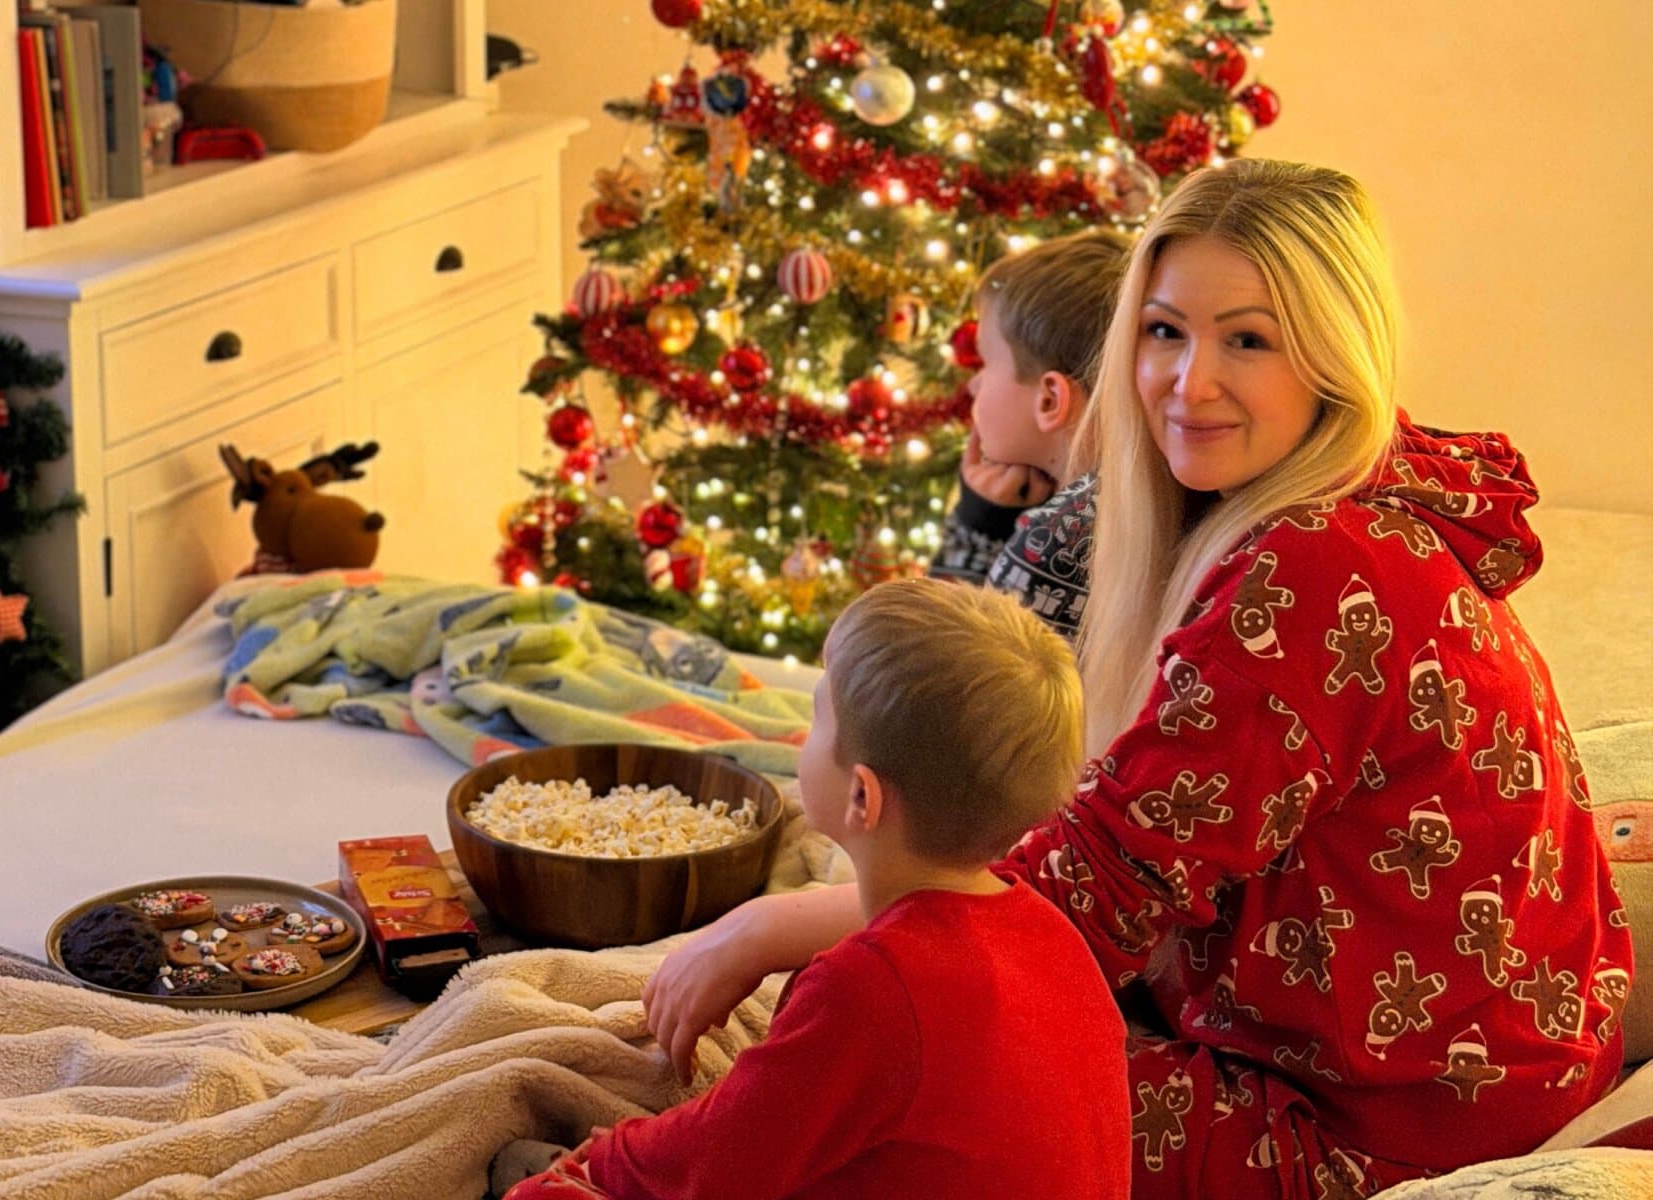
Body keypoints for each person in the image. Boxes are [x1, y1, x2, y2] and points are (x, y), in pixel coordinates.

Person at [643, 159, 1631, 1197]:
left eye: (1246, 339)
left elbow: (1066, 907)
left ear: (1334, 356)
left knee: (878, 1068)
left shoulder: (1313, 569)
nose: (1185, 382)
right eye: (1163, 331)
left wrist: (761, 926)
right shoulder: (1353, 485)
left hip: (1388, 1117)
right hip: (1501, 1046)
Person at [507, 580, 1130, 1199]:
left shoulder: (871, 988)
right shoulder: (1052, 934)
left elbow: (717, 1160)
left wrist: (599, 1163)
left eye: (816, 717)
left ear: (862, 796)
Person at [932, 229, 1131, 640]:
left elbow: (933, 670)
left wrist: (976, 528)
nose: (972, 386)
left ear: (1049, 400)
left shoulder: (1057, 543)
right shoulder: (1120, 501)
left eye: (986, 363)